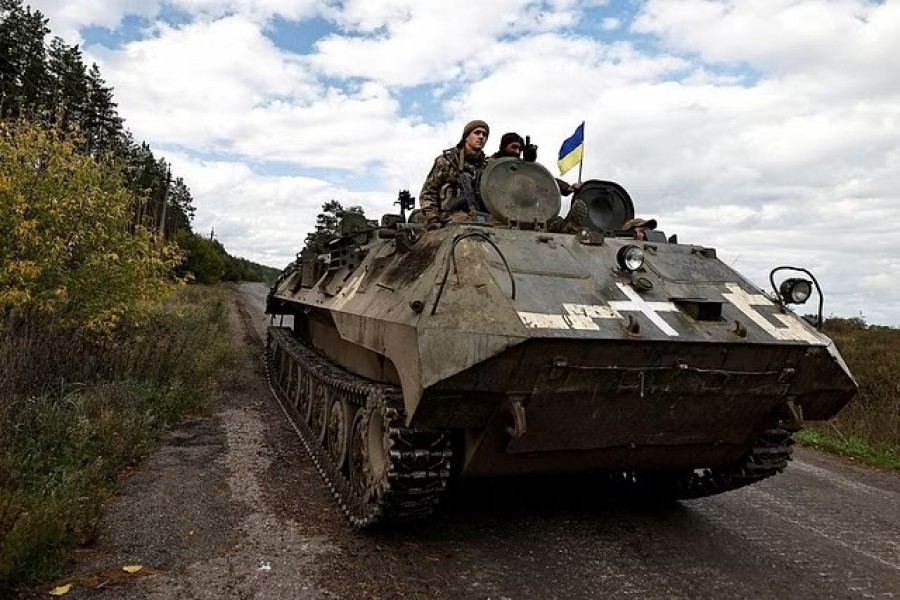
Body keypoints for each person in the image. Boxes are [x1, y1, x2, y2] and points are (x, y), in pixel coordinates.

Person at [419, 120, 490, 225]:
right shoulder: (447, 161)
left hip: (481, 216)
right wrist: (433, 218)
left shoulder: (487, 166)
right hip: (449, 217)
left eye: (484, 134)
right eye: (477, 133)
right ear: (466, 137)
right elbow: (428, 192)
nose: (481, 137)